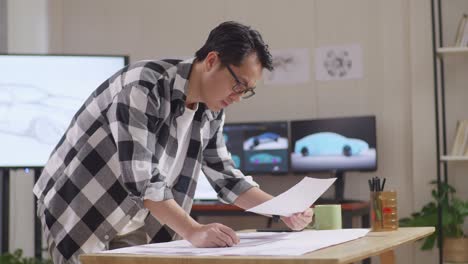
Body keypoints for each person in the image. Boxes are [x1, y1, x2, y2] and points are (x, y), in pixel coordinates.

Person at [33, 21, 313, 264]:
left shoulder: (211, 110)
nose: (238, 96)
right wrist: (194, 230)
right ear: (212, 60)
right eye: (238, 84)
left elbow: (226, 178)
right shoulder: (144, 86)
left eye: (247, 91)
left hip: (133, 215)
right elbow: (142, 180)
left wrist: (282, 209)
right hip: (81, 205)